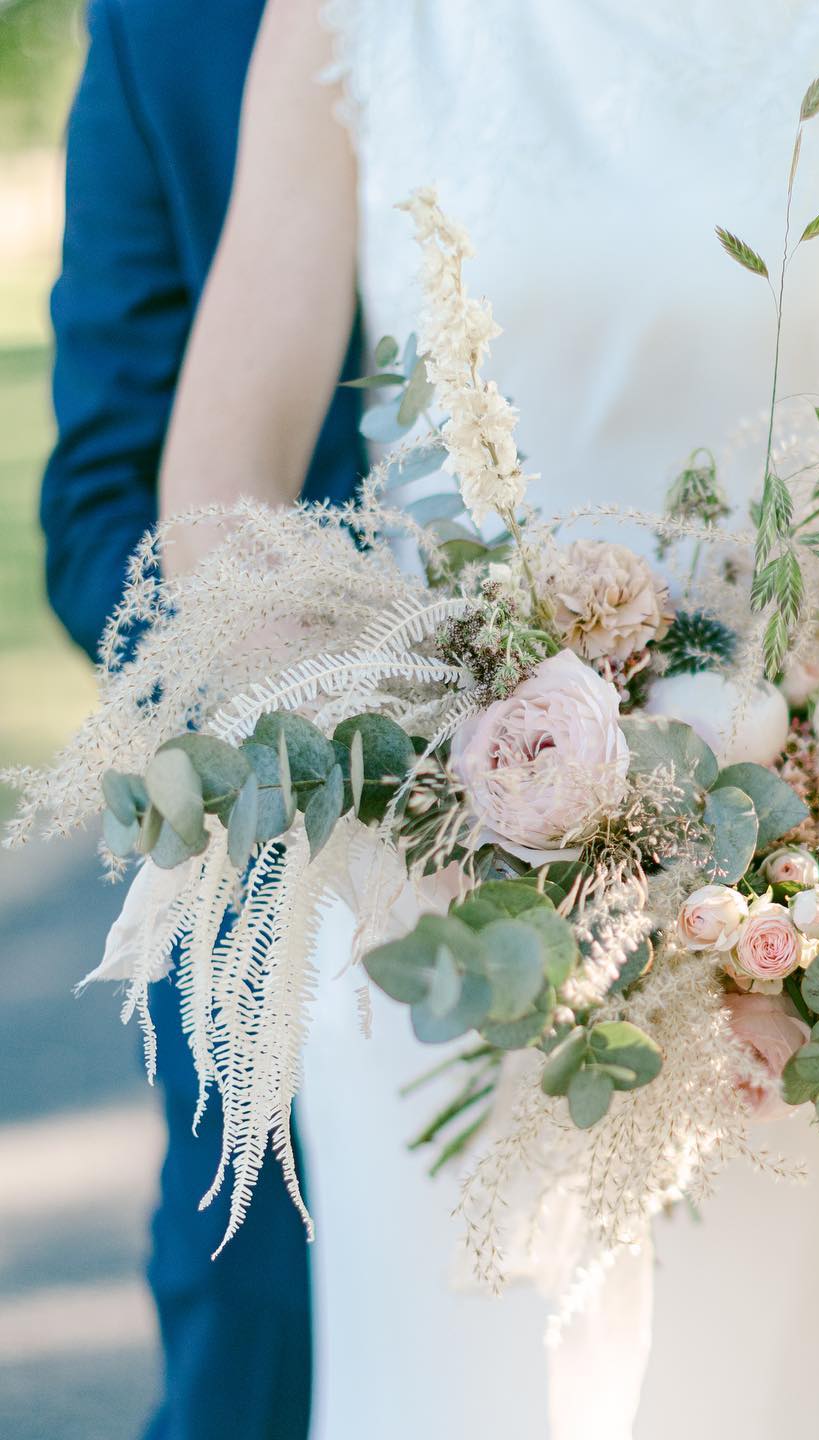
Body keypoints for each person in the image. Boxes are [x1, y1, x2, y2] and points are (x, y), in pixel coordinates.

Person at [156, 0, 819, 1435]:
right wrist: (407, 761)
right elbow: (221, 501)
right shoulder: (350, 21)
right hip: (440, 915)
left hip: (808, 942)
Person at [40, 1, 367, 1433]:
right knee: (256, 1345)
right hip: (284, 845)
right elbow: (98, 502)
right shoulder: (165, 29)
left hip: (694, 814)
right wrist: (321, 691)